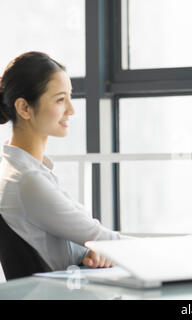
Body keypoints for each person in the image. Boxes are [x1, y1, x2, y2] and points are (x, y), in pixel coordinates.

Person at [0, 52, 126, 271]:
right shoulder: (28, 180)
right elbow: (103, 238)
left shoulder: (20, 170)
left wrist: (92, 251)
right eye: (60, 99)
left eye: (69, 96)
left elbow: (90, 239)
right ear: (24, 108)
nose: (71, 110)